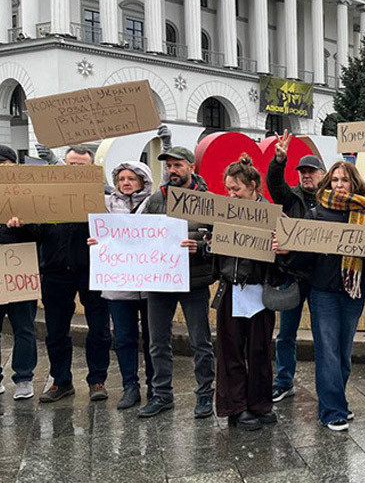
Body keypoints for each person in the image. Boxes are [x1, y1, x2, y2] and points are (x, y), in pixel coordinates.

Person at [275, 161, 365, 431]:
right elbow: (302, 258)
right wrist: (287, 251)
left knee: (343, 353)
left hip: (353, 293)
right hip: (323, 294)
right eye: (335, 180)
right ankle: (332, 411)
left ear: (354, 184)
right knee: (327, 352)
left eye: (345, 180)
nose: (339, 185)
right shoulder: (315, 215)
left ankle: (337, 401)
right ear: (328, 183)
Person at [5, 145, 112, 404]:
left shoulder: (104, 196)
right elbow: (36, 234)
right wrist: (21, 224)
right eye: (70, 165)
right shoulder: (43, 197)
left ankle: (97, 380)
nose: (74, 170)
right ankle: (61, 381)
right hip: (55, 271)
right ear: (63, 166)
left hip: (92, 271)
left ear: (91, 170)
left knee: (99, 329)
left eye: (81, 166)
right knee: (56, 331)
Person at [138, 147, 216, 419]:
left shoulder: (208, 200)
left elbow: (222, 240)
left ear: (192, 167)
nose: (172, 170)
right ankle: (162, 395)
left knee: (200, 342)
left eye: (178, 165)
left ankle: (205, 394)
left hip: (194, 281)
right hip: (160, 281)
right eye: (169, 166)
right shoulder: (155, 199)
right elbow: (136, 235)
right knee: (158, 342)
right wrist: (105, 245)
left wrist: (203, 247)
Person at [212, 155, 278, 431]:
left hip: (260, 290)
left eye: (236, 189)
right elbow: (214, 250)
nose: (231, 194)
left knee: (260, 350)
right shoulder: (223, 213)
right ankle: (236, 408)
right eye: (228, 189)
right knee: (231, 352)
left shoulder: (273, 216)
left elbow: (287, 256)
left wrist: (282, 249)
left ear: (253, 186)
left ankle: (260, 403)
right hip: (231, 289)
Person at [87, 161, 156, 410]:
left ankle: (155, 385)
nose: (126, 183)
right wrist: (96, 239)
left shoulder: (155, 203)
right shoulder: (105, 204)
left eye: (132, 178)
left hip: (151, 285)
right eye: (122, 178)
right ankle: (130, 386)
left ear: (143, 181)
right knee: (124, 337)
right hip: (118, 284)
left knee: (154, 339)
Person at [266, 131, 326, 403]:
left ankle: (325, 387)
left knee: (323, 336)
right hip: (293, 276)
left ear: (323, 174)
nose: (306, 176)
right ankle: (283, 381)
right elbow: (274, 185)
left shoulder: (332, 201)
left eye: (311, 172)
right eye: (303, 171)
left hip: (321, 279)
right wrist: (279, 160)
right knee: (286, 334)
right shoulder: (292, 197)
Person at [0, 145, 38, 400]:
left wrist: (22, 226)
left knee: (24, 327)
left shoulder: (30, 196)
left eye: (5, 164)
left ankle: (24, 377)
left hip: (20, 270)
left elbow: (41, 233)